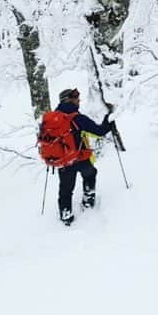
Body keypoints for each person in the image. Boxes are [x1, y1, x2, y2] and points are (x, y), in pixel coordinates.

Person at [52, 88, 114, 225]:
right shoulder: (77, 118)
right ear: (69, 100)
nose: (79, 101)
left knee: (65, 189)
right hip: (79, 158)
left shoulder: (51, 119)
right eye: (76, 99)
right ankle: (88, 200)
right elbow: (99, 131)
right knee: (91, 173)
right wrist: (108, 120)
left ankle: (65, 215)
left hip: (62, 160)